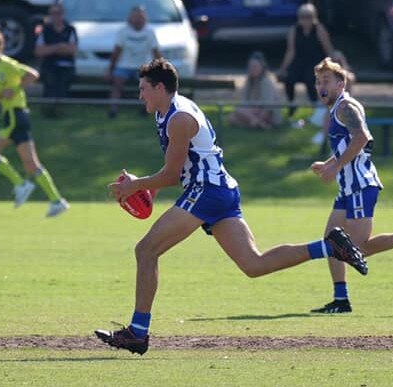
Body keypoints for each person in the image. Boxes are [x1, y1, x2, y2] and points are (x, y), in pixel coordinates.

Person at [95, 58, 367, 355]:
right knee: (254, 264)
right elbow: (178, 166)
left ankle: (138, 332)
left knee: (146, 250)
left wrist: (137, 185)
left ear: (160, 87)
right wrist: (149, 188)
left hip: (208, 191)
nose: (140, 96)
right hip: (219, 190)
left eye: (144, 89)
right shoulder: (167, 112)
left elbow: (172, 175)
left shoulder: (179, 118)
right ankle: (330, 247)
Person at [310, 57, 393, 314]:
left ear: (341, 83)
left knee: (355, 249)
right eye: (317, 81)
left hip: (360, 186)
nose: (320, 86)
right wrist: (328, 164)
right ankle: (341, 300)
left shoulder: (345, 106)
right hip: (347, 188)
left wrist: (335, 167)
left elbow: (362, 138)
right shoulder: (337, 107)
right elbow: (348, 145)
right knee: (332, 242)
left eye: (326, 80)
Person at [0, 27, 69, 217]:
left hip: (15, 116)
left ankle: (21, 184)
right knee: (31, 164)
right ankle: (57, 201)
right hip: (10, 116)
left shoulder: (8, 64)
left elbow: (33, 74)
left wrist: (16, 88)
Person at [277, 3, 334, 122]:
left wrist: (332, 66)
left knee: (310, 78)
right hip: (299, 62)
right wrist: (283, 68)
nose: (305, 20)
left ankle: (316, 108)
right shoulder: (294, 30)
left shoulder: (319, 29)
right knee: (289, 78)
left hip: (316, 63)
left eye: (308, 17)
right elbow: (290, 51)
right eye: (303, 17)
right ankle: (291, 104)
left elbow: (328, 48)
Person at [106, 6, 162, 118]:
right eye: (135, 17)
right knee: (117, 83)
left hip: (143, 67)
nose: (138, 19)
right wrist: (110, 70)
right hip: (124, 66)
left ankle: (146, 109)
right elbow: (116, 52)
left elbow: (156, 52)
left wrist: (162, 69)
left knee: (147, 85)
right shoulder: (123, 32)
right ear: (130, 18)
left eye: (140, 17)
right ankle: (113, 109)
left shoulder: (150, 32)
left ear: (145, 18)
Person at [35, 2, 78, 117]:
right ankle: (48, 111)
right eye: (53, 13)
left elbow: (72, 49)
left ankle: (60, 111)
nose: (56, 16)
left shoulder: (70, 29)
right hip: (49, 65)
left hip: (66, 65)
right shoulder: (45, 30)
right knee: (50, 85)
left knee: (62, 87)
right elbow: (39, 51)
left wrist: (50, 49)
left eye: (58, 13)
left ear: (62, 14)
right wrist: (58, 47)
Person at [228, 51, 282, 130]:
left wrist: (258, 116)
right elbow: (244, 102)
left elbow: (269, 106)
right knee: (232, 118)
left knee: (239, 110)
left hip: (267, 113)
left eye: (255, 66)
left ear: (262, 67)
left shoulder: (265, 82)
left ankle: (257, 123)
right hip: (253, 112)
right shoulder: (249, 82)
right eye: (251, 67)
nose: (253, 69)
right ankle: (259, 124)